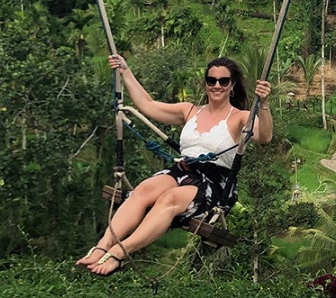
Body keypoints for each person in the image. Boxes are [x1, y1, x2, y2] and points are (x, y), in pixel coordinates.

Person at [76, 54, 272, 275]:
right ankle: (103, 246)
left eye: (223, 81)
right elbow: (147, 105)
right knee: (143, 190)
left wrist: (263, 104)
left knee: (168, 199)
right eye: (211, 80)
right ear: (206, 83)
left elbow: (264, 136)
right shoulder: (189, 111)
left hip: (214, 182)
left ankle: (120, 254)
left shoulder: (239, 117)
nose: (217, 86)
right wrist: (125, 71)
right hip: (183, 169)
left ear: (232, 85)